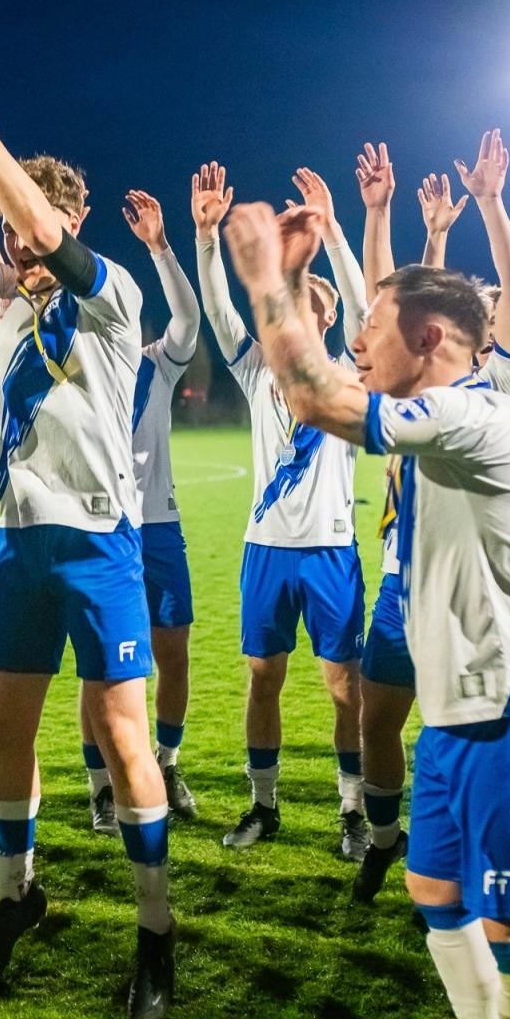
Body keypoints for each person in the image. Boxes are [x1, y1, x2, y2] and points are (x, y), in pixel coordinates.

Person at [225, 198, 510, 1019]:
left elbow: (320, 400)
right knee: (433, 888)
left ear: (429, 339)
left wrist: (269, 282)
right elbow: (333, 388)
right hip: (461, 715)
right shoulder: (441, 417)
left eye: (373, 328)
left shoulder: (471, 411)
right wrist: (298, 274)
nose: (359, 343)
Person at [0, 49, 174, 1019]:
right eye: (13, 233)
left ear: (67, 223)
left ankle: (155, 932)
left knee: (121, 736)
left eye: (33, 230)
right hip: (18, 547)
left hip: (99, 545)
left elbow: (38, 226)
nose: (20, 249)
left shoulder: (111, 294)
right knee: (4, 734)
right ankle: (15, 895)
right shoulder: (3, 302)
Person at [350, 133, 510, 904]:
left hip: (472, 597)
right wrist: (381, 213)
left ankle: (488, 869)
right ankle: (383, 840)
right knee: (377, 721)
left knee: (470, 737)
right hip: (403, 584)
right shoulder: (417, 381)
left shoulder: (501, 388)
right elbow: (386, 302)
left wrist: (491, 205)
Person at [192, 161, 369, 858]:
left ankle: (353, 811)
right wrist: (207, 239)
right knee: (262, 679)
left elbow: (366, 311)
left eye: (309, 306)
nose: (296, 313)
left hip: (330, 549)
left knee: (345, 688)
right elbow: (219, 313)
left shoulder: (348, 374)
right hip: (266, 547)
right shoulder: (258, 370)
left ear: (327, 318)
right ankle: (264, 806)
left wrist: (335, 231)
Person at [79, 188, 201, 830]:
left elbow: (189, 320)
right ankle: (102, 786)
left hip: (158, 527)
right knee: (99, 664)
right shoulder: (83, 359)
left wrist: (160, 248)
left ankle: (168, 764)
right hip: (102, 526)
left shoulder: (157, 364)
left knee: (173, 650)